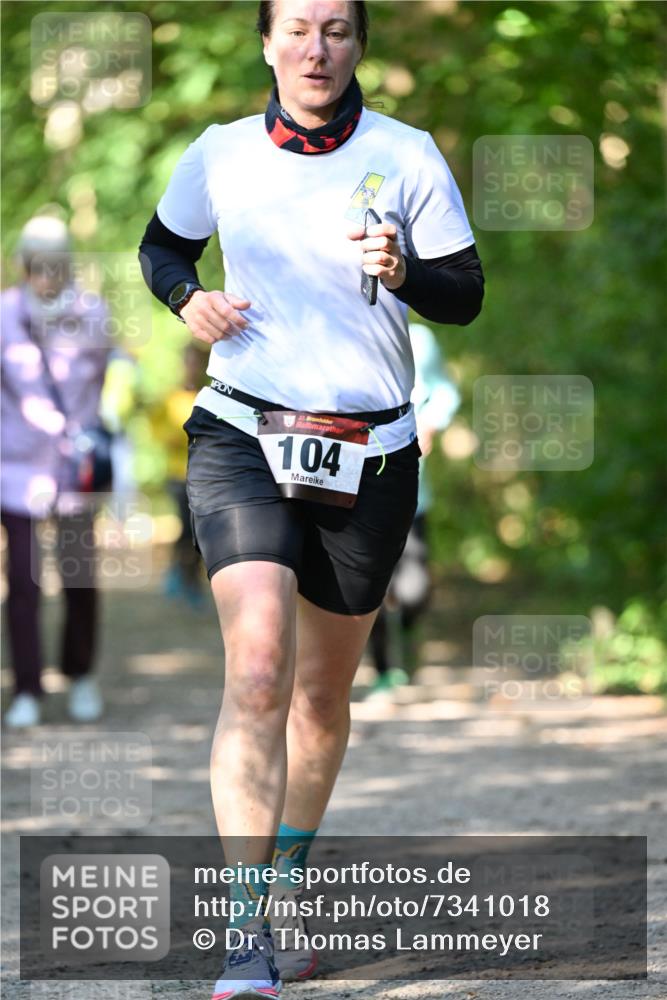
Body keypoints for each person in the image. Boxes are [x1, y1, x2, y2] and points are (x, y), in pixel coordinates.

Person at [138, 2, 484, 995]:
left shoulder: (407, 155)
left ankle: (284, 884)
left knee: (322, 697)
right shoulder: (220, 153)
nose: (315, 46)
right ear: (266, 42)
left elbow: (463, 290)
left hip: (370, 453)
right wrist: (185, 298)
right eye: (296, 27)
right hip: (243, 430)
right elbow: (163, 248)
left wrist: (404, 270)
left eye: (335, 28)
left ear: (359, 43)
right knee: (256, 671)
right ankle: (246, 929)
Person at [1, 216, 110, 728]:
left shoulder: (93, 313)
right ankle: (27, 687)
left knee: (79, 579)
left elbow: (110, 382)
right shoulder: (4, 314)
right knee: (21, 584)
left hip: (74, 470)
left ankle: (81, 674)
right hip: (16, 469)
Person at [367, 322, 461, 699]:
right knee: (368, 586)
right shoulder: (330, 322)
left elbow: (445, 392)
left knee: (414, 591)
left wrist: (432, 425)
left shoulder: (418, 338)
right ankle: (385, 673)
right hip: (353, 485)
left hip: (412, 489)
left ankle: (408, 636)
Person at [148, 343, 208, 606]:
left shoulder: (208, 396)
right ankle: (178, 575)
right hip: (177, 475)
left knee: (199, 532)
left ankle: (191, 578)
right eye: (188, 362)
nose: (192, 368)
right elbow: (155, 427)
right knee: (185, 528)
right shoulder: (169, 398)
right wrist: (172, 438)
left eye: (197, 362)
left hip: (204, 474)